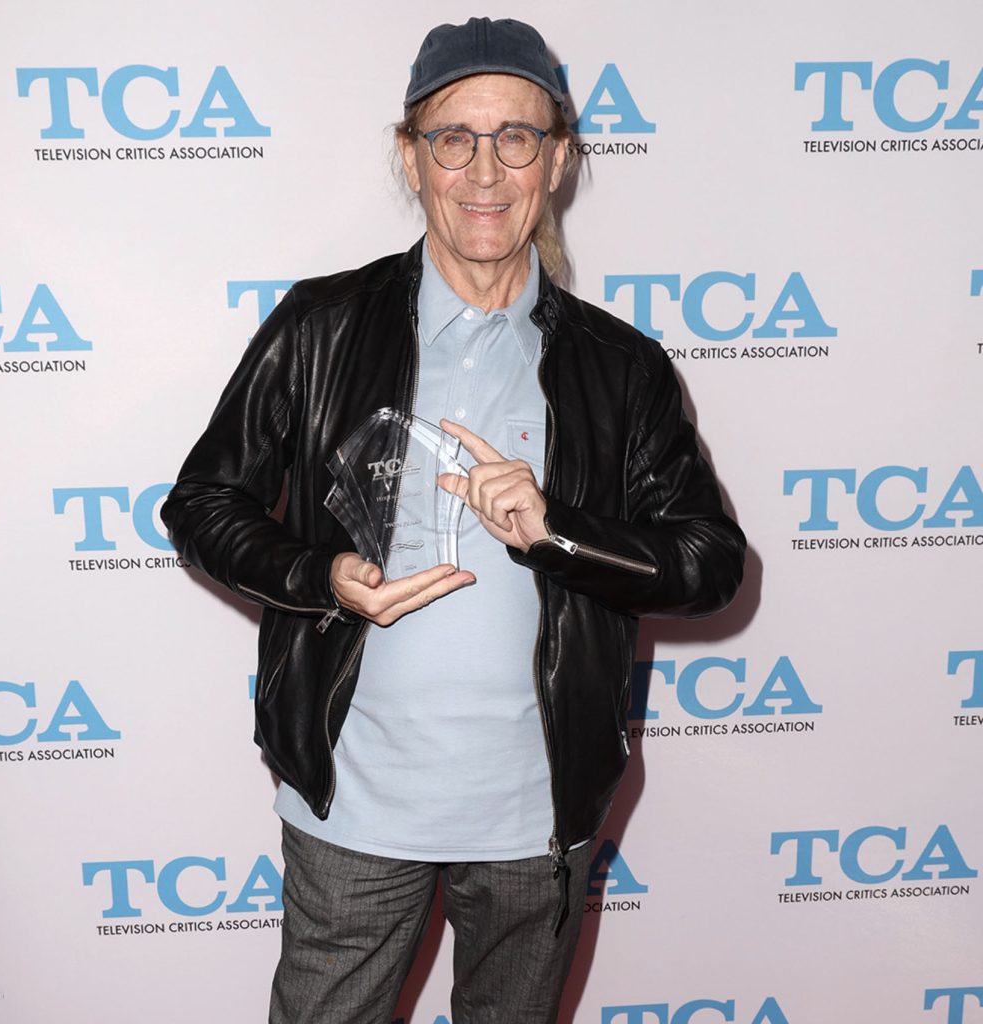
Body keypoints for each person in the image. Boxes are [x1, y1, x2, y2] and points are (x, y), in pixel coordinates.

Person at [162, 16, 745, 1024]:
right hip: (353, 802)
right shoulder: (320, 326)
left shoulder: (621, 368)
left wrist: (557, 530)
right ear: (411, 155)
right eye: (452, 138)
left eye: (515, 137)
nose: (484, 170)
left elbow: (707, 561)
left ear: (556, 159)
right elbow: (204, 501)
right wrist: (321, 578)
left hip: (538, 816)